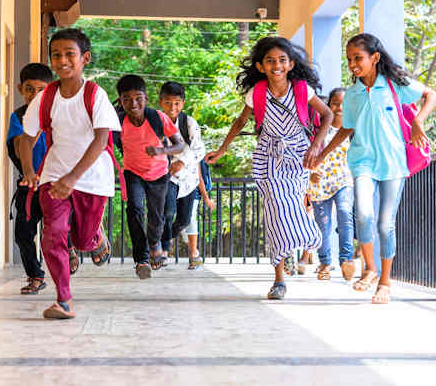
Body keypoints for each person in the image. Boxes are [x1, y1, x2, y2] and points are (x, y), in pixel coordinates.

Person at [315, 33, 436, 304]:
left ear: (375, 57)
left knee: (385, 225)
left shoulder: (394, 84)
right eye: (349, 60)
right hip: (363, 161)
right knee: (363, 214)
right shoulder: (354, 93)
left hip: (394, 161)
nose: (353, 64)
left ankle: (385, 282)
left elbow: (431, 94)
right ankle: (370, 269)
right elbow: (347, 126)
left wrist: (418, 121)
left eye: (358, 58)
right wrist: (322, 153)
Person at [206, 36, 332, 300]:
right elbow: (241, 122)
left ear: (291, 64)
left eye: (282, 60)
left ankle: (295, 245)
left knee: (294, 206)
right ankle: (279, 279)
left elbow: (328, 115)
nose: (276, 65)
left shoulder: (301, 89)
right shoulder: (258, 93)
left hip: (298, 155)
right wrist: (222, 149)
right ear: (261, 66)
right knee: (274, 209)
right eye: (270, 61)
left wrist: (315, 146)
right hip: (268, 155)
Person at [19, 28, 120, 319]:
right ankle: (63, 300)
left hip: (91, 179)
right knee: (53, 234)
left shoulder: (95, 95)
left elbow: (101, 140)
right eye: (56, 55)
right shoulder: (45, 97)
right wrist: (29, 171)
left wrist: (73, 179)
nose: (62, 60)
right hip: (54, 176)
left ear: (84, 58)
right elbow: (26, 138)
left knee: (81, 239)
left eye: (69, 54)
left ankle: (95, 240)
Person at [116, 75, 186, 279]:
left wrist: (161, 151)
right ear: (120, 101)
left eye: (138, 98)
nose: (133, 103)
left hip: (158, 174)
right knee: (135, 209)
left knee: (157, 218)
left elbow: (180, 145)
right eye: (126, 99)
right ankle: (142, 259)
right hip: (132, 172)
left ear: (146, 98)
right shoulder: (119, 121)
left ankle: (154, 242)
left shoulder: (158, 117)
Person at [6, 63, 54, 294]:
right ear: (20, 89)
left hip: (55, 183)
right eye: (29, 89)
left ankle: (74, 247)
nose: (35, 95)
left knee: (59, 230)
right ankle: (35, 275)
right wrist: (28, 172)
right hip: (29, 184)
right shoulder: (18, 117)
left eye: (41, 90)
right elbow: (16, 146)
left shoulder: (58, 115)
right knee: (23, 234)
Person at [158, 81, 214, 269]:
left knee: (184, 219)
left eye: (176, 103)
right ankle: (163, 250)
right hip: (168, 176)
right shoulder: (156, 123)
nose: (172, 107)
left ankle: (165, 238)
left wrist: (182, 162)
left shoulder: (188, 122)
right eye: (168, 103)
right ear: (161, 103)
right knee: (167, 212)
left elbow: (199, 150)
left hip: (189, 177)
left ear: (182, 103)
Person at [307, 88, 355, 281]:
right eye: (335, 103)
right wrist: (310, 173)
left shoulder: (352, 130)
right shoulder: (318, 130)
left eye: (344, 103)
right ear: (328, 106)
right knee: (323, 225)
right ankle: (325, 262)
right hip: (319, 185)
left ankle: (346, 260)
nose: (340, 107)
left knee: (345, 214)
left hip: (344, 180)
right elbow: (306, 152)